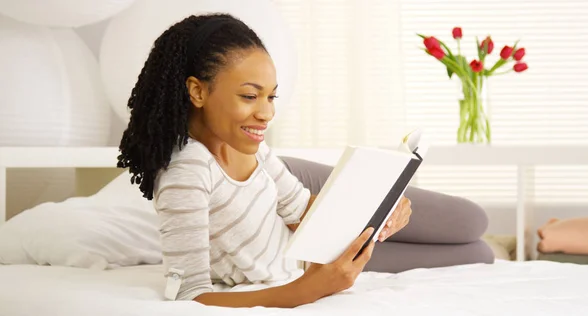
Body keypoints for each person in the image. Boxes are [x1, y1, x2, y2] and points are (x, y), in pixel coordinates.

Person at [116, 13, 412, 308]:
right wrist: (309, 289)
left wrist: (379, 208)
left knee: (456, 226)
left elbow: (300, 212)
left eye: (270, 97)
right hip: (305, 259)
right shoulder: (186, 172)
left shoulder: (245, 145)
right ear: (197, 91)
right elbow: (190, 295)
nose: (267, 114)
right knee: (459, 237)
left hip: (309, 226)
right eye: (249, 96)